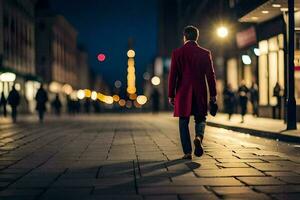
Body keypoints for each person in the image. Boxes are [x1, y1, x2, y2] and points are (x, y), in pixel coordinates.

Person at [168, 25, 217, 160]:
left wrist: (171, 95)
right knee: (200, 118)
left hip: (183, 92)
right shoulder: (205, 53)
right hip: (200, 90)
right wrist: (213, 94)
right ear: (197, 37)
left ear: (184, 37)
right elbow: (210, 75)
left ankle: (187, 152)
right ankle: (198, 137)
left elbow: (173, 76)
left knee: (183, 121)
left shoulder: (177, 53)